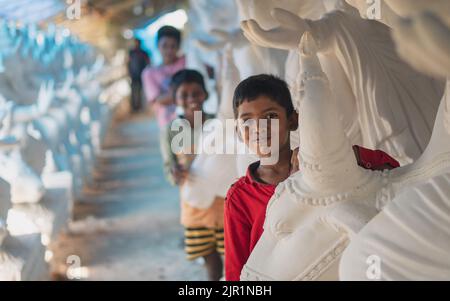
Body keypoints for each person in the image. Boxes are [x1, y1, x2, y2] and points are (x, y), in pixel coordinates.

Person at [224, 74, 400, 281]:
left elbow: (391, 168)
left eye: (270, 117)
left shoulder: (319, 165)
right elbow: (236, 272)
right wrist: (290, 187)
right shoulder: (239, 197)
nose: (258, 129)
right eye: (246, 121)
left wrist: (335, 156)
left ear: (293, 120)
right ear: (237, 131)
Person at [161, 69, 224, 281]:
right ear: (175, 98)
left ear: (205, 93)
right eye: (184, 95)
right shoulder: (171, 130)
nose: (191, 99)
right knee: (207, 253)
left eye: (196, 93)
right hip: (193, 201)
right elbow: (169, 164)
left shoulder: (219, 123)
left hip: (224, 199)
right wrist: (175, 174)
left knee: (232, 252)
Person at [141, 25, 186, 128]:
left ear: (179, 47)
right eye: (165, 46)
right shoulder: (149, 73)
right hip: (168, 125)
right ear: (157, 45)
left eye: (173, 46)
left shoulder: (186, 61)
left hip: (193, 123)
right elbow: (158, 100)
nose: (169, 51)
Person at [127, 38, 150, 113]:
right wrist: (129, 73)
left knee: (141, 91)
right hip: (133, 75)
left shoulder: (144, 52)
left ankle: (140, 107)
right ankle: (134, 108)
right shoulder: (131, 52)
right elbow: (128, 63)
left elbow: (148, 63)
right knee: (133, 91)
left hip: (142, 75)